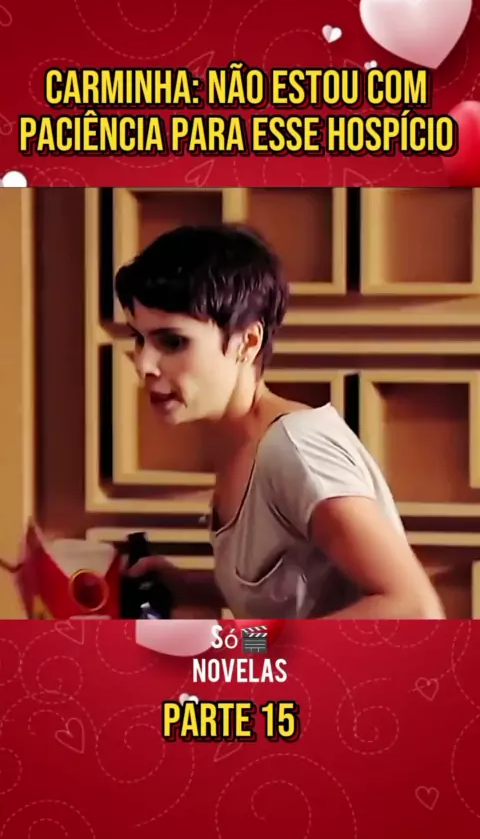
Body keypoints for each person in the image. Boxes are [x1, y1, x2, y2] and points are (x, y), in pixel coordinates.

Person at [115, 223, 444, 620]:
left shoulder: (295, 448)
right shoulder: (240, 446)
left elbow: (414, 608)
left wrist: (249, 647)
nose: (144, 364)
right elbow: (296, 594)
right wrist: (190, 586)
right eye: (139, 338)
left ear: (247, 342)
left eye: (172, 341)